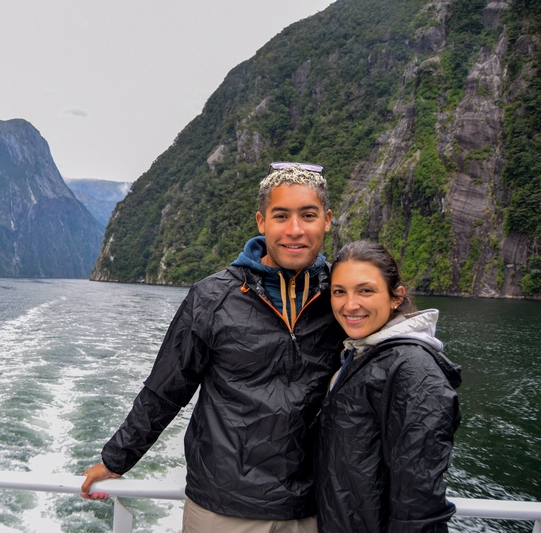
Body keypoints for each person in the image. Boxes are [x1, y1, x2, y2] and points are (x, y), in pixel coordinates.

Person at [81, 162, 347, 532]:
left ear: (327, 220)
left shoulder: (343, 300)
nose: (295, 229)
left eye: (308, 215)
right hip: (221, 508)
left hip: (311, 510)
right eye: (281, 215)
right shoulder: (212, 298)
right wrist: (115, 460)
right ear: (261, 221)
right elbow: (165, 389)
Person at [314, 240, 462, 532]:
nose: (350, 305)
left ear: (396, 297)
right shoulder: (362, 354)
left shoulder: (411, 370)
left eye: (366, 291)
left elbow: (419, 502)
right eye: (339, 292)